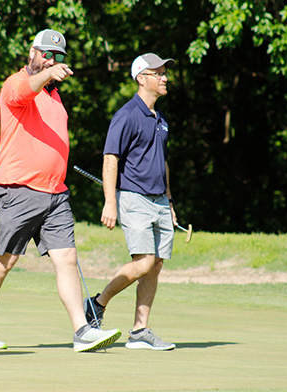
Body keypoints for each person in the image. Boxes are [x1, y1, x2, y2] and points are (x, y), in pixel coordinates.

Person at [0, 29, 121, 353]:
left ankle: (81, 330)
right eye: (46, 54)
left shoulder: (54, 97)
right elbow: (24, 90)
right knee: (5, 259)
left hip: (55, 192)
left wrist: (49, 76)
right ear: (31, 53)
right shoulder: (17, 83)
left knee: (67, 258)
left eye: (58, 57)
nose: (51, 60)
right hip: (18, 189)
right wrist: (46, 72)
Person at [84, 53, 177, 351]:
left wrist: (170, 201)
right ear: (141, 78)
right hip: (133, 197)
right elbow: (110, 158)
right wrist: (109, 202)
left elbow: (162, 162)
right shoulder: (126, 115)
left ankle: (140, 330)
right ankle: (98, 303)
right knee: (145, 261)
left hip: (160, 200)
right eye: (158, 73)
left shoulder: (160, 118)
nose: (164, 78)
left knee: (156, 264)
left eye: (165, 73)